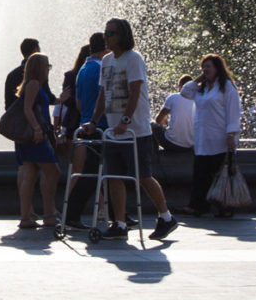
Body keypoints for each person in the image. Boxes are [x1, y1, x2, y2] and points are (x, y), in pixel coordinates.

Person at [81, 18, 178, 242]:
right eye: (105, 33)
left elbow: (135, 91)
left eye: (111, 33)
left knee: (142, 176)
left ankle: (166, 216)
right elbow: (103, 94)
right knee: (113, 176)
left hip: (136, 129)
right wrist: (94, 121)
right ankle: (120, 223)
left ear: (122, 35)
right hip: (113, 131)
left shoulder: (133, 59)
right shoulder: (106, 61)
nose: (106, 37)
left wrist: (126, 119)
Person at [181, 54, 243, 217]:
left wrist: (231, 134)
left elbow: (233, 112)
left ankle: (224, 205)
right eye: (203, 67)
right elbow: (184, 92)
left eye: (209, 66)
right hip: (203, 138)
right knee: (201, 173)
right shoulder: (201, 88)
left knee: (220, 173)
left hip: (219, 138)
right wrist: (200, 77)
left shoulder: (227, 87)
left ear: (218, 68)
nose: (205, 69)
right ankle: (198, 205)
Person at [64, 32, 108, 227]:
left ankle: (119, 213)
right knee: (95, 173)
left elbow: (79, 103)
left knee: (97, 172)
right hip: (101, 126)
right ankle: (72, 214)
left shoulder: (83, 68)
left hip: (86, 124)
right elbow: (105, 98)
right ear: (106, 47)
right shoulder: (101, 69)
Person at [11, 52, 60, 229]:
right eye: (47, 65)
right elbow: (27, 109)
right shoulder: (33, 84)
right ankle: (48, 214)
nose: (49, 69)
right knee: (52, 172)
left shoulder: (33, 84)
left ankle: (26, 217)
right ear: (39, 67)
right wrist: (38, 129)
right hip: (35, 137)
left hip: (30, 137)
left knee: (30, 175)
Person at [154, 76, 195, 153]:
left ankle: (154, 156)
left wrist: (164, 119)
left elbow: (158, 120)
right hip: (191, 146)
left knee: (153, 126)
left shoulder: (173, 97)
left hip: (171, 144)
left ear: (180, 87)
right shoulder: (198, 99)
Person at [2, 38, 40, 114]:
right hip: (35, 122)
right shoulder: (39, 73)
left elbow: (8, 105)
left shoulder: (11, 75)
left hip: (16, 122)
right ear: (35, 51)